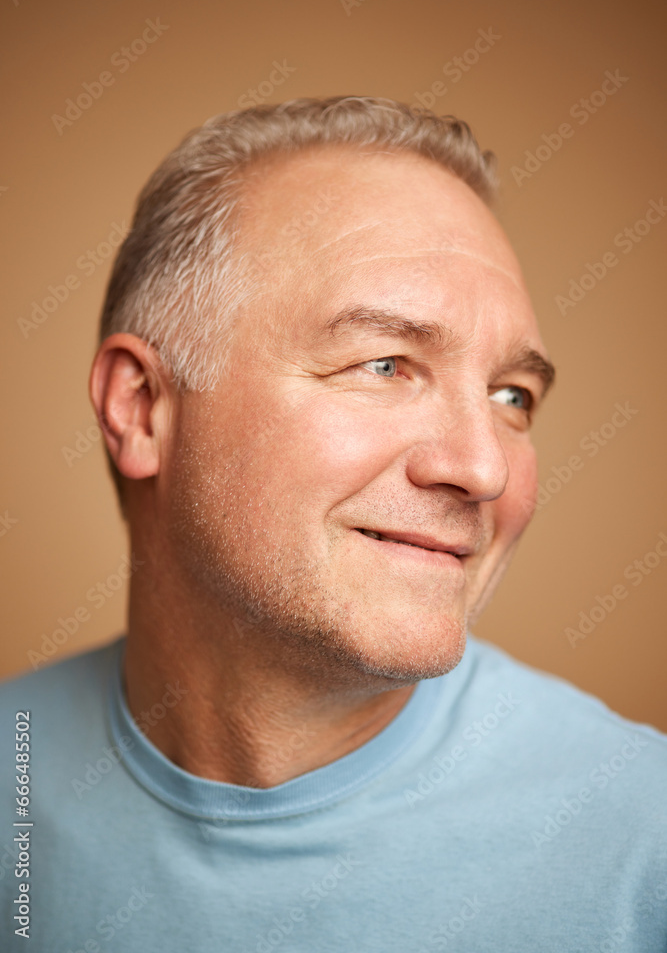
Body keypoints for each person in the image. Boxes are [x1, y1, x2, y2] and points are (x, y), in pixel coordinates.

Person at [1, 97, 666, 952]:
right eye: (384, 364)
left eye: (511, 397)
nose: (483, 468)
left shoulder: (642, 844)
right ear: (142, 408)